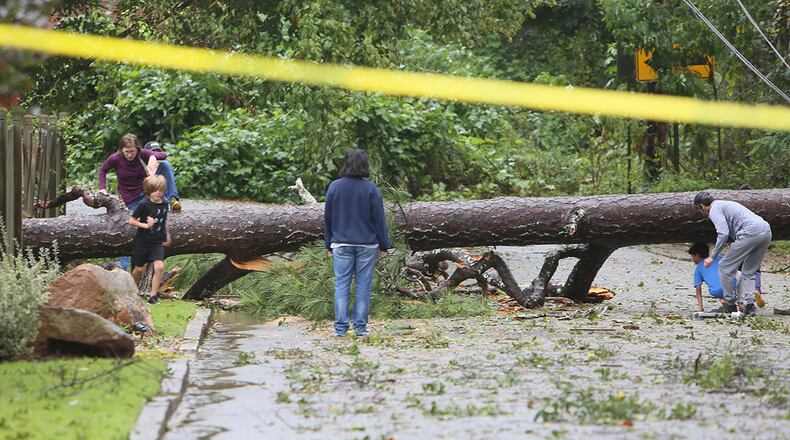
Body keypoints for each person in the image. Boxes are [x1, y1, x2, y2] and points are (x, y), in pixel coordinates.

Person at [324, 149, 390, 337]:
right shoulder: (370, 189)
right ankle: (360, 328)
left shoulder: (334, 187)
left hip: (341, 244)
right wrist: (384, 245)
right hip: (367, 245)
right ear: (365, 166)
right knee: (363, 286)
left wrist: (328, 243)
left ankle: (340, 329)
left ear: (346, 164)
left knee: (342, 285)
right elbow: (379, 219)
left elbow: (328, 218)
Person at [693, 190, 772, 317]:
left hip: (749, 233)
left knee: (724, 266)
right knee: (749, 271)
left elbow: (723, 233)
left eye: (699, 211)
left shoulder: (714, 209)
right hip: (766, 232)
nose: (702, 213)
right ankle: (750, 306)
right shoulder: (724, 204)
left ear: (701, 206)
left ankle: (730, 305)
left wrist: (712, 257)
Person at [99, 133, 168, 270]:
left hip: (145, 194)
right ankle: (124, 266)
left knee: (153, 222)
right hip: (129, 199)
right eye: (126, 152)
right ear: (121, 150)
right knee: (131, 230)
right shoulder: (115, 158)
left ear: (137, 149)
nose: (130, 155)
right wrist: (103, 188)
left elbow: (164, 154)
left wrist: (153, 156)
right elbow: (103, 170)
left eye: (132, 152)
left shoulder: (142, 154)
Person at [129, 175, 171, 304]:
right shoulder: (144, 204)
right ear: (149, 191)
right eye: (154, 190)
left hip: (156, 242)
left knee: (159, 267)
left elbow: (164, 221)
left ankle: (153, 295)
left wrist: (167, 235)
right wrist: (146, 225)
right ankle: (130, 291)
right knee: (139, 270)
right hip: (142, 241)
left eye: (160, 190)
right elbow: (132, 221)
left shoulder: (165, 204)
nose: (158, 193)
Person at [688, 242, 729, 312]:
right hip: (733, 287)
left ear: (697, 255)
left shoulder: (698, 269)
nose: (692, 259)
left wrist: (701, 307)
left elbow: (698, 289)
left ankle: (725, 300)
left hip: (717, 291)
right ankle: (738, 302)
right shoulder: (719, 258)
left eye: (693, 256)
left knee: (717, 288)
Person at [143, 141, 181, 211]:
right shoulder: (140, 163)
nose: (156, 154)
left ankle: (173, 199)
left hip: (160, 197)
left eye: (158, 152)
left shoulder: (163, 166)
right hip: (144, 197)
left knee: (166, 164)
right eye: (153, 152)